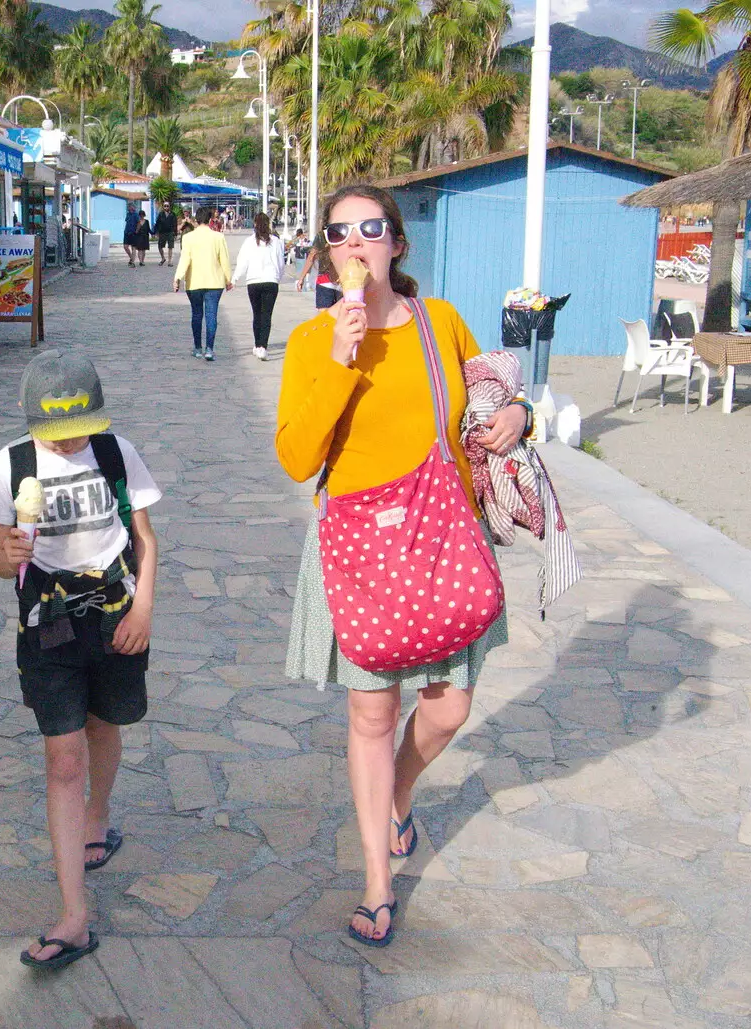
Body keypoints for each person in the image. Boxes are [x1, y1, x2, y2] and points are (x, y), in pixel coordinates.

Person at [275, 184, 528, 948]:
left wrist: (518, 417)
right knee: (371, 716)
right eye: (339, 234)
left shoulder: (439, 321)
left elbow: (487, 401)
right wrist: (343, 356)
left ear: (397, 244)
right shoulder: (312, 340)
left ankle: (400, 792)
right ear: (326, 252)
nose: (356, 245)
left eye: (371, 229)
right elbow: (296, 456)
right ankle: (378, 882)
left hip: (443, 535)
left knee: (449, 706)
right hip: (358, 545)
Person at [0, 349, 160, 971]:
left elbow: (146, 539)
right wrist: (11, 551)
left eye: (75, 428)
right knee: (62, 755)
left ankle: (97, 816)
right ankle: (74, 916)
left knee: (104, 725)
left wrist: (143, 611)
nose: (65, 442)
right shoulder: (10, 465)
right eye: (52, 433)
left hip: (114, 616)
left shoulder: (115, 454)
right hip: (47, 625)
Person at [171, 206, 233, 361]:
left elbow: (185, 259)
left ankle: (198, 348)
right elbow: (224, 260)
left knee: (197, 314)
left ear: (196, 220)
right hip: (215, 282)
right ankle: (209, 349)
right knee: (212, 315)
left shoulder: (189, 238)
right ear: (210, 219)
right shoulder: (218, 237)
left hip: (194, 282)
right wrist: (228, 279)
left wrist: (177, 278)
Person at [232, 213, 286, 361]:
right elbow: (281, 263)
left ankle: (257, 344)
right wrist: (278, 277)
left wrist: (234, 278)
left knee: (257, 314)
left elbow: (242, 262)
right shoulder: (276, 241)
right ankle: (263, 347)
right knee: (267, 315)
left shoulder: (249, 242)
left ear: (255, 224)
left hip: (253, 282)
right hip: (271, 281)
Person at [295, 238, 339, 309]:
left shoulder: (322, 235)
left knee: (324, 317)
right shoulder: (347, 232)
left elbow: (311, 256)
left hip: (324, 280)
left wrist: (301, 278)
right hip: (343, 279)